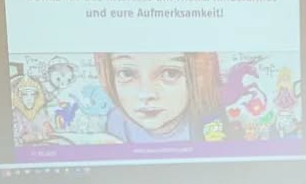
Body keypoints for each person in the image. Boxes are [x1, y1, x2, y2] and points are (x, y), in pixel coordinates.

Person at [93, 51, 226, 142]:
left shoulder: (210, 123)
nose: (146, 94)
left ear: (199, 76)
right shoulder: (116, 122)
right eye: (127, 73)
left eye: (171, 73)